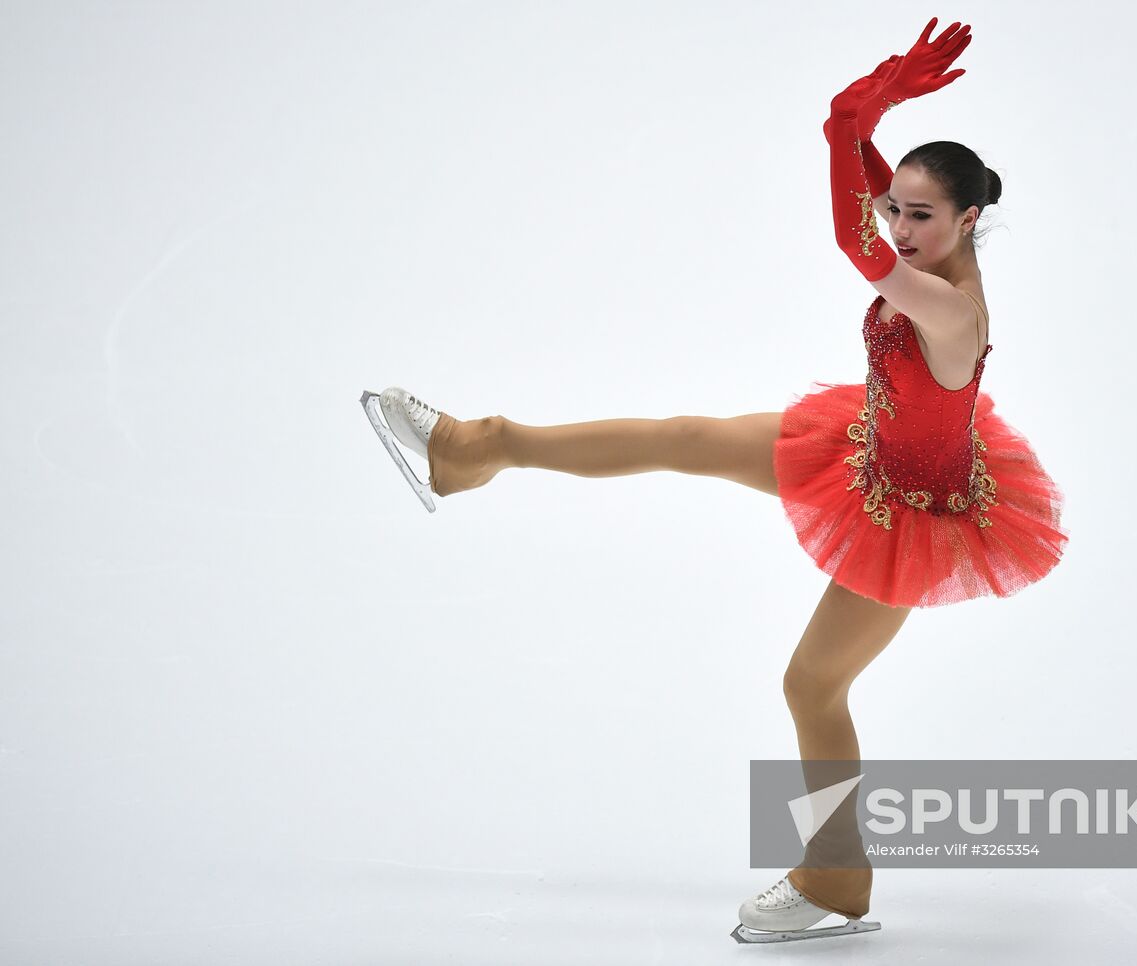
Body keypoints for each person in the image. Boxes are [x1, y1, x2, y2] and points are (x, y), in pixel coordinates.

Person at [361, 15, 1067, 943]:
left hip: (914, 510)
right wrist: (854, 118)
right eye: (897, 206)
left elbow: (857, 248)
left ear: (970, 219)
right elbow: (861, 202)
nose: (897, 227)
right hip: (865, 445)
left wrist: (855, 116)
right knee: (687, 434)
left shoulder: (948, 307)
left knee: (812, 687)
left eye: (920, 216)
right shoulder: (925, 258)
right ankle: (474, 447)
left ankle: (835, 882)